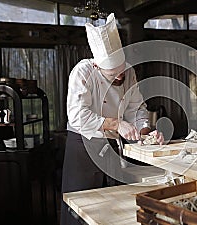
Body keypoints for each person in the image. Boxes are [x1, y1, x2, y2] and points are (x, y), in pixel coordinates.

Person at [60, 13, 164, 225]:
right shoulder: (82, 72)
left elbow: (136, 108)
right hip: (83, 145)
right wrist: (116, 124)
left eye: (121, 72)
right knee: (81, 207)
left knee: (113, 205)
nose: (119, 77)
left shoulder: (128, 72)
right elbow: (77, 115)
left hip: (110, 146)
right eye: (112, 74)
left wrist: (145, 131)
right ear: (97, 67)